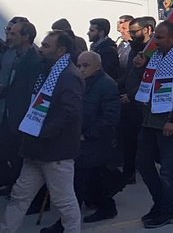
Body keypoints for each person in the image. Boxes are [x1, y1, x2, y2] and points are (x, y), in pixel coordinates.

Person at [0, 31, 83, 233]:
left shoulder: (69, 76)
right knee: (20, 195)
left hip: (56, 152)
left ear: (61, 50)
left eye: (46, 45)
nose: (40, 48)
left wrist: (43, 133)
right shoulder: (47, 71)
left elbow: (69, 113)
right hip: (35, 149)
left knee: (64, 201)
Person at [42, 51, 121, 232]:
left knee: (78, 181)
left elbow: (110, 117)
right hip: (77, 138)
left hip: (94, 141)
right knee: (90, 180)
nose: (81, 69)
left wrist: (89, 134)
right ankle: (106, 206)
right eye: (79, 65)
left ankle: (66, 223)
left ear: (97, 66)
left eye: (86, 65)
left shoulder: (107, 85)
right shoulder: (79, 82)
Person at [134, 22, 173, 228]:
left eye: (160, 38)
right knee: (143, 162)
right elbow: (147, 84)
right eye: (155, 37)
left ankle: (166, 211)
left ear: (172, 39)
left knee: (168, 170)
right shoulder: (157, 58)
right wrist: (140, 67)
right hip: (150, 118)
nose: (155, 41)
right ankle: (159, 202)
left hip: (169, 122)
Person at [0, 21, 41, 190]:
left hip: (22, 116)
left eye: (13, 34)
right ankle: (10, 182)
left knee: (20, 156)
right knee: (6, 151)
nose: (8, 37)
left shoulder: (35, 60)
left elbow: (31, 91)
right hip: (7, 113)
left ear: (26, 37)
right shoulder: (11, 54)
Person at [118, 17, 154, 185]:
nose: (131, 35)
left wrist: (132, 95)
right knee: (128, 139)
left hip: (142, 103)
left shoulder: (153, 49)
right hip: (129, 100)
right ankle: (129, 171)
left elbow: (150, 77)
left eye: (134, 32)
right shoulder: (133, 48)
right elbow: (130, 72)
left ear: (146, 30)